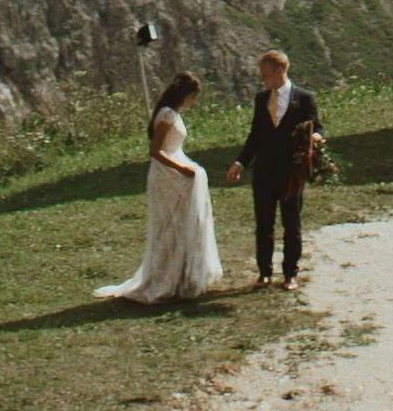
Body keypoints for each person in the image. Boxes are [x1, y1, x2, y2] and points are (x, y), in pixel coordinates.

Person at [97, 73, 226, 307]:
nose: (193, 102)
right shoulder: (168, 115)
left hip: (174, 173)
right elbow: (156, 151)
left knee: (179, 225)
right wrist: (182, 169)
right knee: (170, 226)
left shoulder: (170, 113)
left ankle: (178, 275)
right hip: (168, 176)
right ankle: (166, 278)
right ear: (187, 96)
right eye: (193, 98)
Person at [235, 45, 325, 286]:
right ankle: (264, 272)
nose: (262, 79)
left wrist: (316, 137)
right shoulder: (261, 98)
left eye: (265, 74)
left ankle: (290, 274)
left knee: (291, 224)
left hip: (290, 173)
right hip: (264, 171)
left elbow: (316, 125)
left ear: (280, 71)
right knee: (263, 225)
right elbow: (255, 134)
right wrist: (240, 162)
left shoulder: (304, 98)